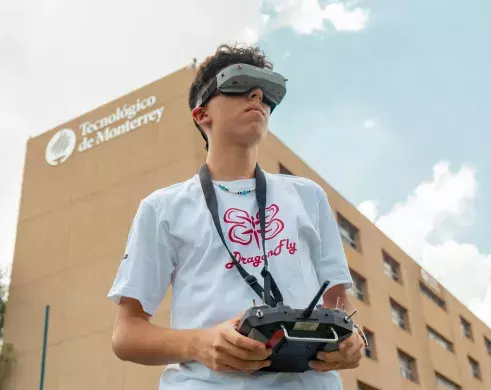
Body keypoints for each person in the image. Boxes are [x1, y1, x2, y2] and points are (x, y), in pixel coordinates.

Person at [107, 43, 365, 390]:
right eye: (240, 86)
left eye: (265, 96)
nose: (257, 97)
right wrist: (197, 344)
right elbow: (126, 334)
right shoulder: (163, 207)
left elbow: (339, 305)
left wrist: (354, 342)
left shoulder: (309, 197)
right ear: (202, 115)